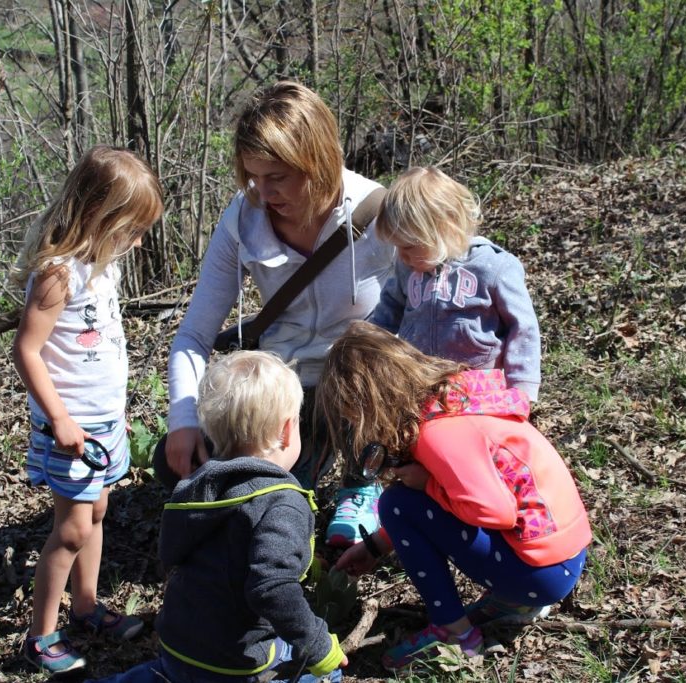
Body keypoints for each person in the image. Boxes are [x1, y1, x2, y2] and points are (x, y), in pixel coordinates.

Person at [156, 80, 395, 546]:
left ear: (317, 161)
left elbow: (424, 311)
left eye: (277, 177)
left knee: (367, 361)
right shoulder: (242, 219)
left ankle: (362, 482)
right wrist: (182, 420)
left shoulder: (378, 214)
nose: (262, 194)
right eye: (252, 178)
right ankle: (285, 479)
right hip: (284, 385)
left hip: (360, 385)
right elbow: (193, 337)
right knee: (176, 466)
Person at [317, 322, 590, 670]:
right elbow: (458, 505)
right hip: (563, 557)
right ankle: (512, 603)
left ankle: (454, 633)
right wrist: (376, 546)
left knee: (397, 504)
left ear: (370, 402)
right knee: (409, 503)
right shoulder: (456, 402)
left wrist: (426, 484)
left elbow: (494, 513)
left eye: (354, 417)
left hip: (541, 574)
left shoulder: (439, 435)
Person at [89, 351, 346, 683]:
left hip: (177, 643)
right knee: (325, 677)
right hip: (234, 664)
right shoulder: (282, 503)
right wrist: (317, 645)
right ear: (286, 430)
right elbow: (272, 588)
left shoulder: (198, 486)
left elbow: (170, 555)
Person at [10, 145, 164, 676]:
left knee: (96, 514)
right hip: (68, 426)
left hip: (102, 421)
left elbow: (100, 349)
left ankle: (87, 606)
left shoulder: (103, 268)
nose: (140, 240)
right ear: (102, 216)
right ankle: (40, 637)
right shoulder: (58, 274)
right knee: (71, 528)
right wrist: (59, 419)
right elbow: (27, 350)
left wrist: (114, 412)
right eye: (134, 228)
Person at [369, 166, 542, 402]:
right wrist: (365, 344)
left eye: (408, 246)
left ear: (444, 229)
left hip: (481, 387)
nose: (401, 256)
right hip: (420, 383)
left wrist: (521, 387)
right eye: (396, 247)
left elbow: (523, 328)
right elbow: (386, 315)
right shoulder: (407, 270)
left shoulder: (492, 266)